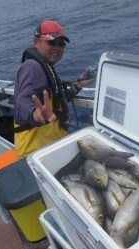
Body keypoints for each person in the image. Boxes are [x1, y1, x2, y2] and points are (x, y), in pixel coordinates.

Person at [14, 20, 94, 159]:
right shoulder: (32, 67)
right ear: (36, 42)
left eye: (61, 43)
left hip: (52, 142)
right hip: (36, 152)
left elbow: (57, 100)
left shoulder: (45, 66)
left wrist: (78, 85)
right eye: (51, 42)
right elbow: (22, 101)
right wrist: (35, 113)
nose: (57, 47)